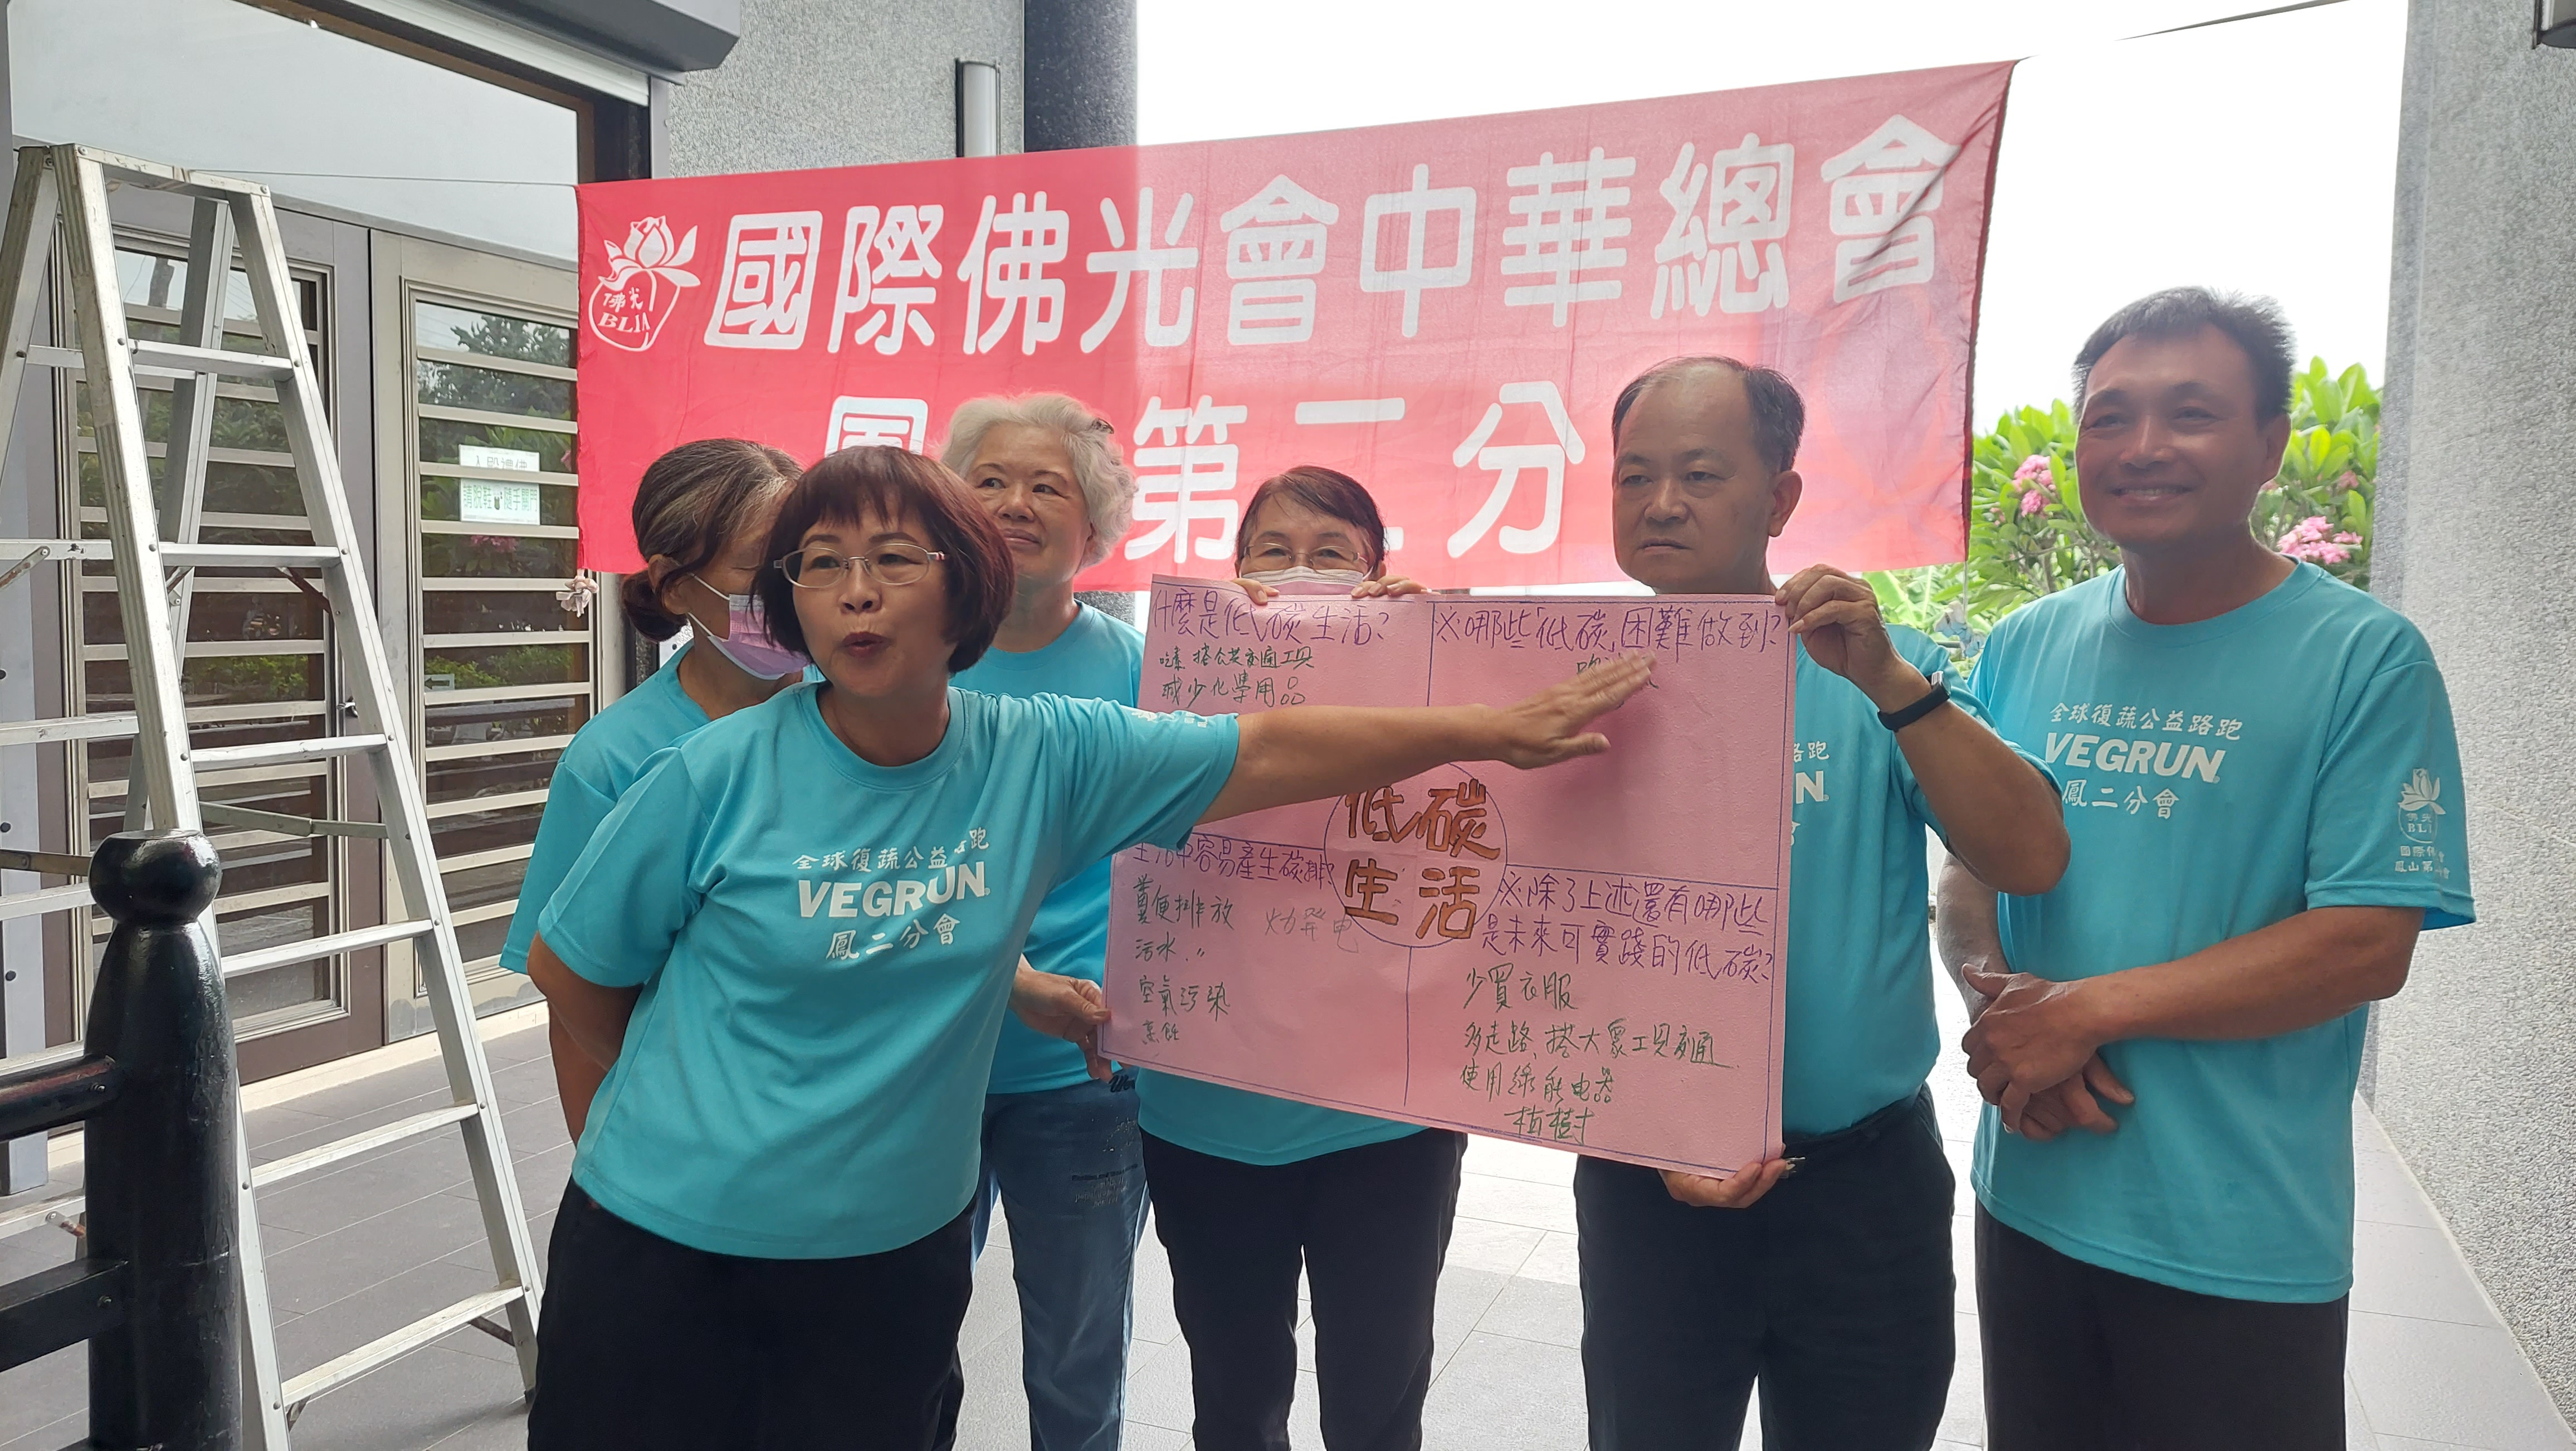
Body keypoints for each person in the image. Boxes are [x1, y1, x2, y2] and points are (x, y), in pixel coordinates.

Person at [519, 444, 1653, 1451]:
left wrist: (1487, 729)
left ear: (965, 585)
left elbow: (1266, 750)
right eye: (819, 564)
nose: (855, 590)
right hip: (665, 1237)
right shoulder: (708, 773)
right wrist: (695, 1129)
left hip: (887, 1250)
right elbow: (572, 969)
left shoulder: (1041, 755)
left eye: (894, 559)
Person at [1937, 288, 2474, 1451]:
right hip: (2030, 1191)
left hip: (2236, 1233)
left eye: (2189, 413)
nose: (2141, 446)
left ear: (2269, 445)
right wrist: (1998, 1001)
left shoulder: (2363, 660)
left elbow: (2363, 943)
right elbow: (1967, 866)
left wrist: (2084, 1011)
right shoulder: (2026, 641)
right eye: (2108, 417)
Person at [1575, 356, 2069, 1451]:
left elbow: (2028, 856)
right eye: (1633, 475)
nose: (1660, 503)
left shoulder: (1877, 671)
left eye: (1700, 473)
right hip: (1645, 1184)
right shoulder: (1567, 682)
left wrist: (1891, 685)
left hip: (1859, 1187)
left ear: (1779, 497)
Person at [1134, 465, 1444, 1451]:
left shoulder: (1429, 676)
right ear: (1236, 570)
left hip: (1386, 1118)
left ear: (1377, 572)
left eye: (1332, 555)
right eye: (1274, 552)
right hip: (1205, 1113)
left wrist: (1435, 651)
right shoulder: (1170, 683)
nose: (1301, 572)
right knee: (1234, 1393)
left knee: (1378, 1397)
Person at [941, 393, 1149, 1451]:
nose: (1014, 504)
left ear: (1095, 526)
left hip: (1082, 1068)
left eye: (1046, 486)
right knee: (900, 1333)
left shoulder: (1141, 668)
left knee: (1077, 1350)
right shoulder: (907, 655)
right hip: (919, 1057)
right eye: (989, 480)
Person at [496, 438, 802, 1139]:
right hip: (707, 1131)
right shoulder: (615, 759)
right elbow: (573, 988)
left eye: (805, 560)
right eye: (761, 566)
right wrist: (610, 1163)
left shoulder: (861, 712)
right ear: (674, 585)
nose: (790, 589)